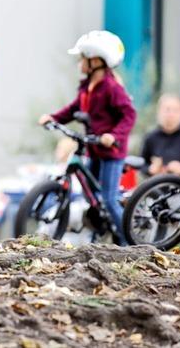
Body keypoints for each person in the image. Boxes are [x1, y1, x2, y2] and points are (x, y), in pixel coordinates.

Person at [39, 30, 136, 245]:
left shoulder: (111, 88)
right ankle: (100, 228)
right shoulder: (87, 86)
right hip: (93, 148)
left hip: (111, 151)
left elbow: (129, 115)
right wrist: (53, 118)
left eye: (83, 58)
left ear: (97, 61)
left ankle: (128, 242)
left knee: (109, 200)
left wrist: (114, 135)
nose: (80, 62)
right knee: (91, 197)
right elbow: (73, 109)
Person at [140, 94, 180, 177]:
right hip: (157, 186)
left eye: (175, 110)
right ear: (159, 112)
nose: (171, 114)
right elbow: (141, 164)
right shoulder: (150, 137)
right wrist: (151, 169)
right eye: (167, 110)